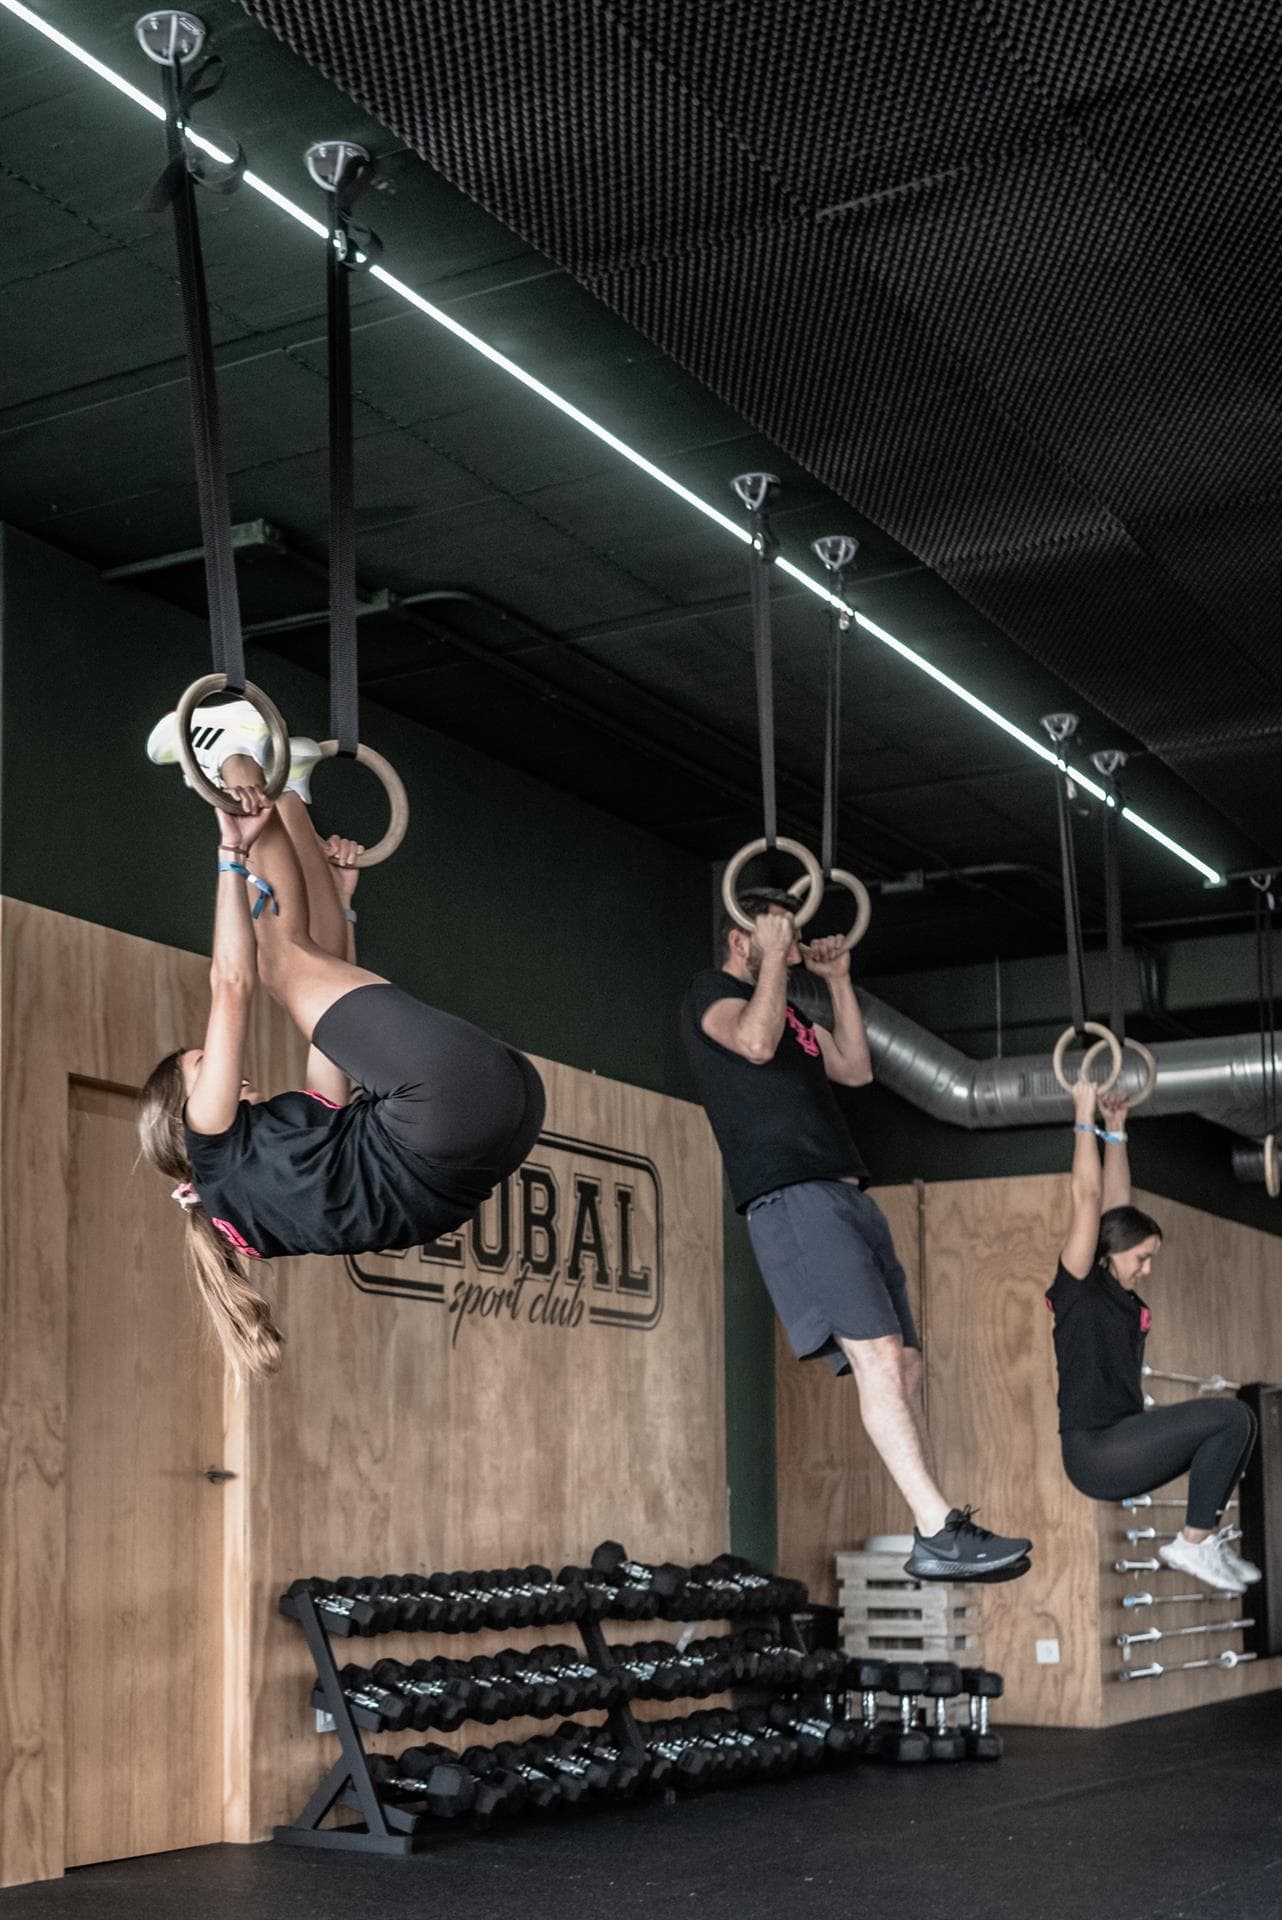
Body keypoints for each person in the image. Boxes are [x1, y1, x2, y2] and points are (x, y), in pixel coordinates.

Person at [138, 704, 545, 1379]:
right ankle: (239, 755)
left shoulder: (261, 1202)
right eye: (201, 1064)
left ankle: (291, 787)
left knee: (296, 962)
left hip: (501, 1116)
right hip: (444, 1114)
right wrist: (230, 856)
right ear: (183, 1118)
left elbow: (334, 1047)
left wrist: (342, 899)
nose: (225, 1072)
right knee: (274, 962)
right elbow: (232, 982)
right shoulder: (211, 1143)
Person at [682, 887, 1032, 1581]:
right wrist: (779, 958)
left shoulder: (786, 1009)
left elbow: (856, 1068)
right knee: (876, 1357)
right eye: (773, 930)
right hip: (793, 1195)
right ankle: (938, 1530)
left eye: (790, 930)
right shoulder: (711, 994)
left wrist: (838, 980)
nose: (785, 940)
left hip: (846, 1195)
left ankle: (937, 1526)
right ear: (739, 937)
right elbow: (752, 1044)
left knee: (904, 1364)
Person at [1049, 1078, 1260, 1592]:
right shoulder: (1077, 1284)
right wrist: (1083, 1117)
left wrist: (1116, 1130)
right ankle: (1193, 1541)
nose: (1145, 1269)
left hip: (1122, 1440)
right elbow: (1089, 1197)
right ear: (1111, 1251)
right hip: (1095, 1452)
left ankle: (1201, 1540)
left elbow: (1117, 1207)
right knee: (1229, 1415)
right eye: (1142, 1258)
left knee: (1243, 1426)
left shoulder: (1116, 1285)